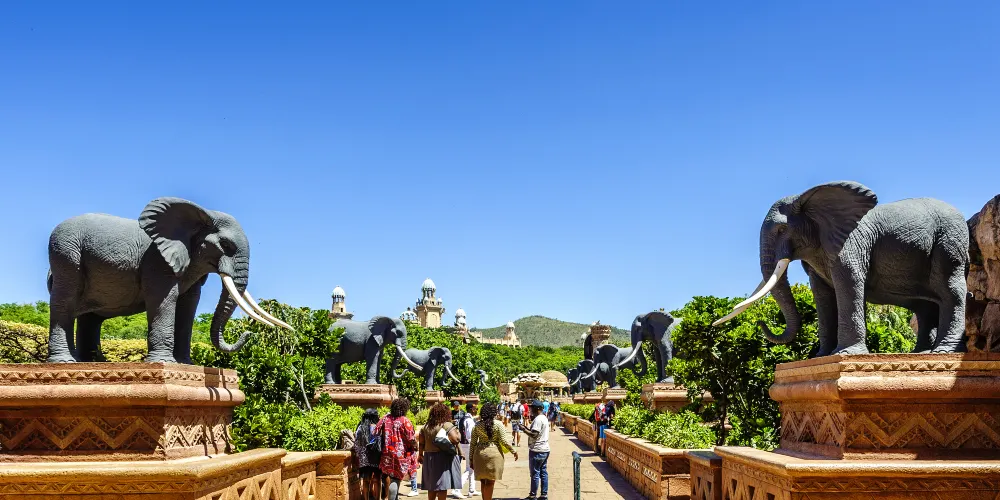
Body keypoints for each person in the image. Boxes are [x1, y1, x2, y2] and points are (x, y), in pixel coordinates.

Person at [470, 402, 518, 500]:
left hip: (480, 454)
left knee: (483, 481)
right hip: (494, 454)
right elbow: (504, 441)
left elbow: (473, 443)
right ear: (494, 412)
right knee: (490, 482)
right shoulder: (498, 424)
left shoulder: (477, 425)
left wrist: (471, 458)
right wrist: (513, 451)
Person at [418, 403, 464, 500]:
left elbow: (421, 443)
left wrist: (420, 455)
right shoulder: (446, 425)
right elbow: (456, 439)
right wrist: (458, 432)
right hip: (442, 458)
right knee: (442, 486)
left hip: (429, 458)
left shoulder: (426, 426)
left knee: (432, 486)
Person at [376, 398, 418, 500]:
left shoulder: (385, 418)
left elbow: (375, 431)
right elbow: (411, 438)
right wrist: (416, 447)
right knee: (396, 479)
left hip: (387, 454)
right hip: (401, 455)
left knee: (391, 477)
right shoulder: (405, 421)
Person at [521, 400, 550, 500]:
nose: (530, 409)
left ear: (537, 409)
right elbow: (535, 432)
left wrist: (524, 430)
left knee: (535, 473)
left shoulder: (538, 419)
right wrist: (525, 428)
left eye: (532, 408)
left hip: (537, 450)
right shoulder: (544, 418)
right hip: (545, 449)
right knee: (543, 472)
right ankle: (544, 495)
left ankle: (533, 495)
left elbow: (534, 434)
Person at [354, 408, 382, 500]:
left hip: (364, 458)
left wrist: (358, 455)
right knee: (377, 479)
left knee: (366, 480)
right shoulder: (378, 427)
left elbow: (357, 444)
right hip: (376, 456)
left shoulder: (360, 428)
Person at [449, 401, 470, 499]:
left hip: (460, 433)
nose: (456, 407)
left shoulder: (463, 413)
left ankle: (471, 489)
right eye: (455, 406)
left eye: (457, 406)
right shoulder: (451, 413)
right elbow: (448, 421)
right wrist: (451, 421)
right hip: (453, 433)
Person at [458, 402, 479, 497]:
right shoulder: (469, 421)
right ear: (471, 409)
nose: (476, 410)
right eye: (475, 409)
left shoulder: (463, 418)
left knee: (471, 468)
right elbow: (470, 436)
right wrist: (475, 446)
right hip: (469, 445)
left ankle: (472, 489)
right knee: (469, 468)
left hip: (463, 445)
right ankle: (457, 489)